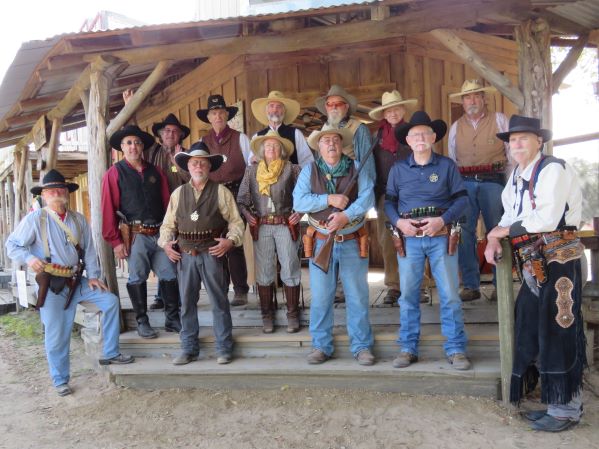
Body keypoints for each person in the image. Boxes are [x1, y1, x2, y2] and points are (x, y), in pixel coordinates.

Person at [484, 115, 586, 433]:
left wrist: (500, 232)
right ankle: (554, 400)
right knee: (530, 323)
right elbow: (510, 215)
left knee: (559, 327)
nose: (516, 144)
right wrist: (493, 237)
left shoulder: (552, 169)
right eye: (512, 140)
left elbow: (547, 217)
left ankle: (566, 409)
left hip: (560, 260)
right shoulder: (517, 175)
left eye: (523, 138)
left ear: (538, 141)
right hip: (534, 261)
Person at [6, 169, 134, 396]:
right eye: (51, 191)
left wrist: (93, 276)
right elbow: (12, 245)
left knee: (110, 302)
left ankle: (111, 352)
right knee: (56, 333)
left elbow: (90, 251)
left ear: (66, 192)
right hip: (51, 285)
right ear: (44, 195)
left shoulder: (78, 219)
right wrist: (29, 258)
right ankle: (60, 380)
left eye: (60, 189)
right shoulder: (35, 219)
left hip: (77, 281)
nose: (56, 193)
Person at [384, 111, 470, 371]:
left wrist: (442, 220)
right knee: (408, 296)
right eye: (415, 135)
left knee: (450, 295)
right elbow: (389, 202)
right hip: (409, 239)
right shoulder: (398, 170)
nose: (420, 138)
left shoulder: (447, 166)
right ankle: (408, 348)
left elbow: (462, 200)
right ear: (408, 141)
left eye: (425, 133)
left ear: (433, 138)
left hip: (441, 236)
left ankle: (456, 348)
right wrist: (399, 223)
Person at [293, 125, 375, 366]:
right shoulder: (309, 170)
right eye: (326, 140)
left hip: (351, 239)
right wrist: (328, 199)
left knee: (357, 297)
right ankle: (321, 345)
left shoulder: (357, 167)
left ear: (342, 144)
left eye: (335, 140)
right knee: (320, 298)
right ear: (318, 146)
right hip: (321, 241)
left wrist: (345, 216)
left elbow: (368, 197)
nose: (331, 144)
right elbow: (298, 201)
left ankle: (361, 346)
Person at [158, 142, 245, 365]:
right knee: (187, 303)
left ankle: (224, 348)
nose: (198, 166)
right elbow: (167, 225)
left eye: (203, 163)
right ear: (188, 166)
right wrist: (166, 244)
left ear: (209, 166)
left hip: (212, 253)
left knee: (219, 301)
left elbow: (236, 222)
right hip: (185, 255)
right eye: (194, 162)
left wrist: (230, 241)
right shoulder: (178, 194)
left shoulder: (221, 192)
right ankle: (188, 348)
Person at [101, 125, 181, 338]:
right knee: (137, 277)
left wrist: (171, 233)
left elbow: (167, 205)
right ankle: (142, 322)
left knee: (169, 274)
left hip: (160, 234)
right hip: (135, 235)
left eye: (137, 142)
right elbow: (108, 209)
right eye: (129, 143)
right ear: (121, 147)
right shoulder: (114, 173)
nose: (133, 146)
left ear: (143, 146)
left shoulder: (156, 172)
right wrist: (115, 242)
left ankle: (172, 319)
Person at [448, 79, 509, 302]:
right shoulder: (456, 127)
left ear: (484, 99)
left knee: (497, 230)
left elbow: (511, 154)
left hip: (493, 181)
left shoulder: (500, 120)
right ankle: (471, 286)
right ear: (462, 102)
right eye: (467, 97)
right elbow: (453, 159)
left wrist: (510, 186)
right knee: (464, 232)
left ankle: (500, 285)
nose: (472, 100)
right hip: (465, 183)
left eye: (476, 96)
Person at [237, 130, 302, 333]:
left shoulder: (292, 169)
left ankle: (292, 314)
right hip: (262, 225)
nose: (271, 149)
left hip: (285, 224)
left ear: (281, 150)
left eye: (275, 146)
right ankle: (267, 315)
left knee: (290, 266)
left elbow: (304, 194)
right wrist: (248, 215)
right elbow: (242, 200)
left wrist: (299, 212)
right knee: (264, 270)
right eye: (267, 146)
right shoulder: (251, 171)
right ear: (261, 151)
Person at [316, 85, 375, 304]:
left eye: (338, 104)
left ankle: (349, 289)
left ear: (346, 107)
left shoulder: (359, 129)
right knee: (330, 236)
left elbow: (367, 166)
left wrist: (364, 195)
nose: (333, 107)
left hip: (353, 192)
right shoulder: (322, 130)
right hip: (329, 194)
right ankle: (334, 287)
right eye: (329, 104)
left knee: (351, 240)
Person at [197, 94, 251, 306]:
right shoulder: (203, 143)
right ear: (209, 117)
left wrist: (247, 199)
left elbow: (251, 170)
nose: (218, 116)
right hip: (213, 196)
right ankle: (221, 290)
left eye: (221, 112)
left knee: (233, 242)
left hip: (237, 194)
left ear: (227, 115)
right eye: (213, 113)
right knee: (215, 242)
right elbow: (198, 170)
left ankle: (240, 290)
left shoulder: (241, 138)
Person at [368, 90, 417, 305]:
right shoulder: (376, 137)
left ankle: (418, 285)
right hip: (386, 195)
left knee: (415, 239)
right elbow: (371, 168)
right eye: (389, 110)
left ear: (403, 110)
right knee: (388, 241)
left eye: (397, 108)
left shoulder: (414, 133)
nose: (393, 113)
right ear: (384, 114)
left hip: (413, 195)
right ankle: (394, 286)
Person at [145, 113, 192, 310]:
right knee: (162, 251)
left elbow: (192, 179)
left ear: (180, 135)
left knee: (178, 252)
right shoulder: (151, 153)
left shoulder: (187, 155)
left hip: (181, 211)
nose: (170, 134)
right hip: (157, 210)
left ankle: (178, 296)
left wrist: (177, 163)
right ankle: (161, 295)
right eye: (166, 131)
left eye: (174, 131)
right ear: (160, 134)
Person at [250, 90, 314, 167]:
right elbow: (251, 163)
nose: (275, 110)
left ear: (284, 111)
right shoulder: (257, 137)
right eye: (271, 106)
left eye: (279, 106)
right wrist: (252, 160)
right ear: (267, 111)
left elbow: (308, 161)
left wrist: (296, 172)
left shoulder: (296, 134)